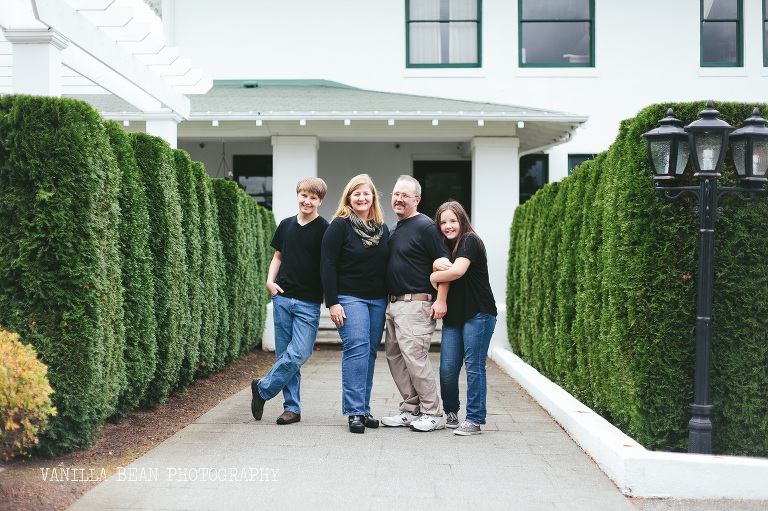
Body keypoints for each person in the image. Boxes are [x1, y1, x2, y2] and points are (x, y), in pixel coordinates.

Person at [251, 177, 329, 425]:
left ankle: (262, 388)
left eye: (313, 198)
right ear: (298, 195)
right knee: (285, 354)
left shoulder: (325, 229)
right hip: (283, 298)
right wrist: (269, 282)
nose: (307, 201)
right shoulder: (285, 225)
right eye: (304, 196)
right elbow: (277, 256)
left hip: (308, 302)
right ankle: (292, 409)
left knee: (300, 352)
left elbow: (328, 265)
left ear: (320, 201)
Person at [321, 174, 389, 434]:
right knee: (357, 351)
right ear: (348, 198)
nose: (361, 198)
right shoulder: (339, 226)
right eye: (356, 193)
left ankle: (364, 408)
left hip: (378, 299)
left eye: (366, 193)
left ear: (373, 197)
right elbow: (327, 264)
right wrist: (333, 303)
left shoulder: (382, 228)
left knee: (370, 353)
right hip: (350, 298)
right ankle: (353, 412)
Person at [381, 175, 449, 432]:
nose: (399, 199)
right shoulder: (396, 228)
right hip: (394, 305)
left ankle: (434, 413)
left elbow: (444, 264)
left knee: (415, 358)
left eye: (405, 196)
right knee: (396, 358)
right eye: (396, 194)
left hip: (416, 304)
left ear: (417, 200)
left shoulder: (425, 226)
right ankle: (411, 409)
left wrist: (441, 299)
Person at [429, 201, 497, 436]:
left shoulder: (469, 240)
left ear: (462, 221)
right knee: (447, 368)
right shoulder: (443, 249)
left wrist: (432, 275)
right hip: (455, 316)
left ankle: (475, 419)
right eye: (443, 222)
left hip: (479, 312)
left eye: (452, 221)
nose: (448, 226)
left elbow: (457, 272)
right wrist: (436, 264)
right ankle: (450, 412)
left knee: (474, 366)